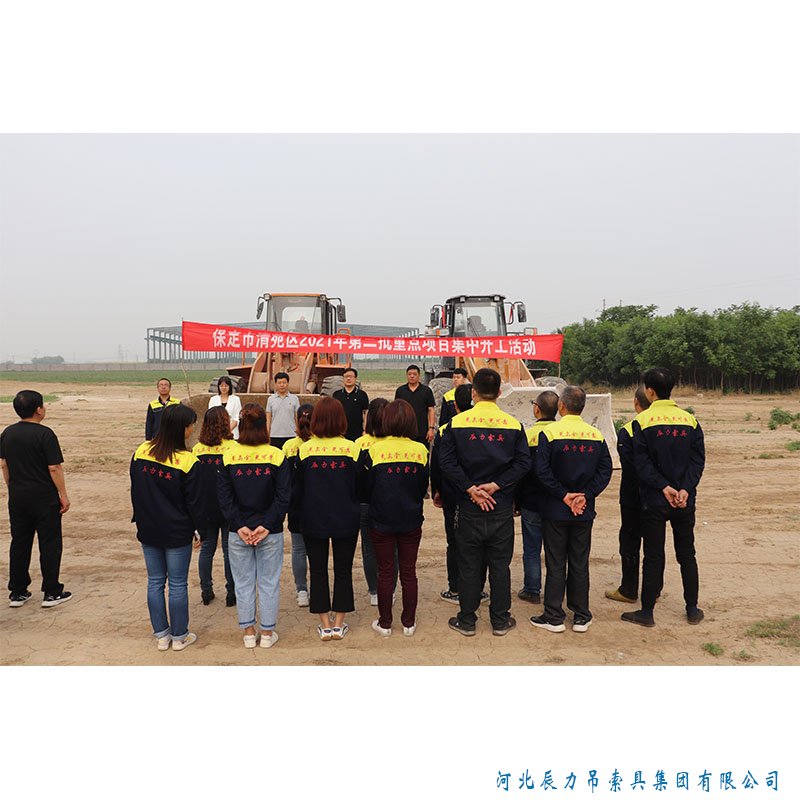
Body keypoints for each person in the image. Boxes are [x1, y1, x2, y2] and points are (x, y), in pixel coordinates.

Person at [438, 368, 531, 636]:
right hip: (500, 506)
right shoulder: (513, 425)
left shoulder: (456, 424)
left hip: (469, 506)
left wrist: (470, 488)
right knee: (500, 566)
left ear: (474, 393)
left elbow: (446, 462)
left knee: (469, 565)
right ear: (499, 393)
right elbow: (524, 463)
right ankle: (500, 620)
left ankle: (467, 620)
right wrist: (497, 485)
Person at [622, 367, 706, 627]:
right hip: (684, 499)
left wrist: (663, 487)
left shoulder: (642, 422)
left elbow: (642, 464)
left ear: (649, 391)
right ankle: (692, 608)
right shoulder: (690, 420)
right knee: (687, 554)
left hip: (655, 499)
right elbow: (697, 460)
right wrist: (685, 488)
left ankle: (647, 612)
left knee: (653, 555)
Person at [530, 386, 613, 634]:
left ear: (561, 406)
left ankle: (554, 616)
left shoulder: (550, 433)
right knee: (579, 561)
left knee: (556, 562)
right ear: (583, 407)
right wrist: (586, 495)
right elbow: (605, 471)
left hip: (556, 509)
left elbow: (541, 471)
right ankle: (581, 616)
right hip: (583, 510)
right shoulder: (595, 435)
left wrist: (563, 495)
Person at [130, 403, 204, 651]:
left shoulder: (141, 451)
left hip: (148, 528)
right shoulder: (187, 461)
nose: (192, 429)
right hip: (176, 532)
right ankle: (179, 636)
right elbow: (195, 503)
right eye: (190, 425)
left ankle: (162, 635)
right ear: (181, 428)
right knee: (177, 584)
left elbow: (135, 490)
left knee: (155, 581)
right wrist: (199, 530)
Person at [218, 403, 291, 648]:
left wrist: (239, 525)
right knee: (269, 582)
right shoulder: (276, 455)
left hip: (239, 532)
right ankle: (267, 634)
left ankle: (249, 633)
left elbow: (224, 497)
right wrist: (267, 525)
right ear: (264, 426)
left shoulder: (229, 455)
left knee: (243, 582)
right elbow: (284, 496)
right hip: (269, 531)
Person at [297, 397, 363, 641]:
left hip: (313, 518)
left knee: (318, 570)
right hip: (346, 517)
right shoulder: (353, 449)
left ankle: (325, 624)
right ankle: (339, 624)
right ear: (341, 420)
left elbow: (297, 488)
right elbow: (361, 487)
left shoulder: (305, 450)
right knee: (343, 569)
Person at [364, 399, 429, 637]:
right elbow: (422, 487)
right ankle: (408, 623)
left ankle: (385, 623)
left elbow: (367, 488)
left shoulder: (374, 450)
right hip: (411, 518)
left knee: (385, 572)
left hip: (382, 520)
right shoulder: (421, 451)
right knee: (409, 572)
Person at [2, 390, 72, 608]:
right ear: (38, 409)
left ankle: (18, 592)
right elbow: (54, 468)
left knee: (20, 543)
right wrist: (63, 495)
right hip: (44, 498)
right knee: (50, 543)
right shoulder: (45, 434)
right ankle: (51, 591)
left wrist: (13, 487)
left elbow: (4, 464)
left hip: (18, 497)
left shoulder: (7, 433)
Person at [432, 383, 487, 605]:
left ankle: (455, 588)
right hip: (484, 494)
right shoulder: (489, 426)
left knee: (454, 542)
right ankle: (478, 589)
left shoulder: (446, 429)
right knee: (480, 543)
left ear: (455, 405)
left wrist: (437, 490)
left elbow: (437, 465)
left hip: (452, 494)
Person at [605, 385, 651, 604]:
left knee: (630, 541)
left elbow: (630, 467)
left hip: (633, 496)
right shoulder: (662, 428)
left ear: (636, 403)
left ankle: (629, 589)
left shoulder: (629, 430)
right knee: (654, 543)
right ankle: (653, 590)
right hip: (658, 495)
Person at [515, 390, 559, 604]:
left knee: (532, 548)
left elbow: (520, 471)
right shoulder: (562, 433)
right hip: (558, 502)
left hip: (531, 501)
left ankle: (532, 589)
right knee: (556, 549)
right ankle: (555, 589)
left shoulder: (528, 435)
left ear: (537, 409)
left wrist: (517, 500)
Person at [192, 406, 236, 607]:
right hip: (228, 507)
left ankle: (206, 590)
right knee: (229, 551)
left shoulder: (197, 449)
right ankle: (231, 592)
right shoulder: (233, 448)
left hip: (206, 507)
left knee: (207, 549)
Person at [354, 397, 397, 605]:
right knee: (392, 548)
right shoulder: (396, 443)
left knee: (369, 548)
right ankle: (390, 589)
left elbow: (355, 478)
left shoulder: (359, 445)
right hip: (391, 504)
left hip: (365, 504)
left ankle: (374, 591)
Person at [282, 403, 314, 608]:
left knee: (298, 549)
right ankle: (318, 588)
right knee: (316, 549)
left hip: (295, 504)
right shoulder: (320, 445)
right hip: (317, 504)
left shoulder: (288, 446)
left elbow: (283, 480)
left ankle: (301, 590)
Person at [394, 364, 436, 447]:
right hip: (404, 432)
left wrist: (431, 429)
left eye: (414, 374)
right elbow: (396, 411)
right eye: (409, 374)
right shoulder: (400, 391)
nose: (412, 376)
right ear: (406, 375)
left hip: (422, 432)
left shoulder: (426, 391)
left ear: (419, 376)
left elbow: (431, 410)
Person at [333, 367, 370, 441]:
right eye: (346, 376)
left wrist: (365, 430)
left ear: (355, 378)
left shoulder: (362, 395)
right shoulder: (337, 395)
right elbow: (333, 413)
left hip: (357, 433)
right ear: (343, 378)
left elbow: (365, 413)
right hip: (340, 433)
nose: (348, 379)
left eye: (351, 376)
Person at [266, 371, 300, 451]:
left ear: (288, 383)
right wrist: (267, 434)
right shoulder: (271, 399)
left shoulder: (294, 398)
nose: (282, 385)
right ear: (275, 384)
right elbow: (268, 419)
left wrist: (299, 433)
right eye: (279, 383)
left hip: (291, 435)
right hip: (274, 435)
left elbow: (297, 418)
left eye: (284, 382)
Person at [208, 375, 243, 440]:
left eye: (226, 386)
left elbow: (237, 417)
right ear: (218, 387)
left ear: (230, 387)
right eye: (221, 386)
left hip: (232, 432)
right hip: (216, 432)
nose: (224, 388)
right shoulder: (213, 399)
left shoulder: (236, 399)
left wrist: (228, 430)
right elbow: (210, 416)